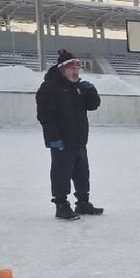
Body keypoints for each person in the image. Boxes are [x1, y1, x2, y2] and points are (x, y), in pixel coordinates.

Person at [35, 49, 103, 221]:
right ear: (62, 69)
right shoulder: (49, 88)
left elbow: (93, 105)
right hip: (61, 140)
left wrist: (91, 91)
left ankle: (82, 202)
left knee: (82, 172)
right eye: (72, 69)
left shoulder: (77, 87)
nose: (76, 72)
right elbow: (45, 116)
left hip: (79, 139)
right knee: (61, 172)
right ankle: (61, 205)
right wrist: (53, 138)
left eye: (78, 69)